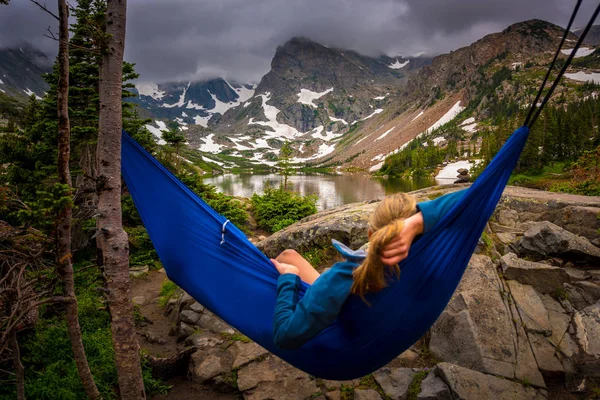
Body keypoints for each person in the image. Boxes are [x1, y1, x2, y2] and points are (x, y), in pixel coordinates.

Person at [271, 189, 465, 349]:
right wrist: (417, 224)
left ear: (371, 234)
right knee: (291, 255)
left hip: (340, 332)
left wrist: (289, 278)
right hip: (385, 334)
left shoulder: (346, 275)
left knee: (287, 258)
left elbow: (285, 336)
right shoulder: (428, 258)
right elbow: (473, 197)